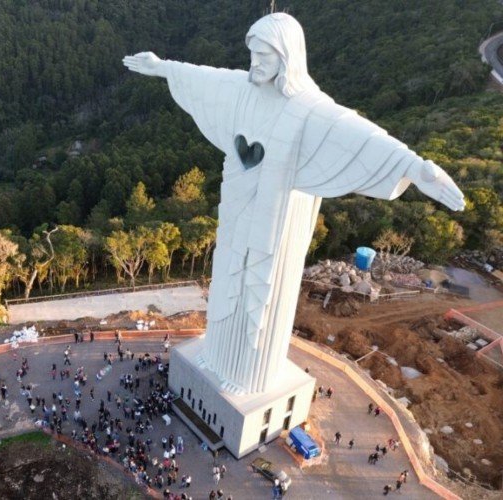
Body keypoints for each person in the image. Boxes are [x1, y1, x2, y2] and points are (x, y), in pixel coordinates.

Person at [122, 12, 465, 394]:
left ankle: (246, 376)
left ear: (287, 58)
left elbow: (360, 136)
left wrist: (415, 167)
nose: (255, 64)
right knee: (227, 281)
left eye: (265, 56)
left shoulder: (309, 108)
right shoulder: (243, 89)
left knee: (261, 296)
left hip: (277, 227)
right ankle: (217, 357)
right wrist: (162, 67)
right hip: (236, 215)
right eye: (252, 54)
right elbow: (206, 76)